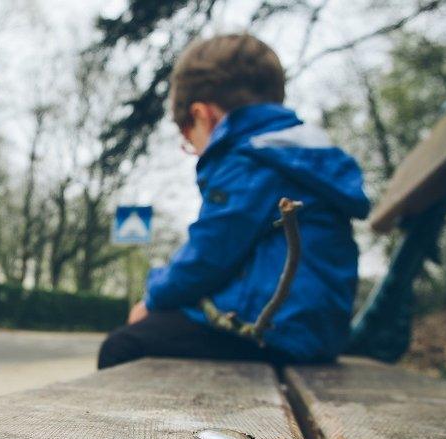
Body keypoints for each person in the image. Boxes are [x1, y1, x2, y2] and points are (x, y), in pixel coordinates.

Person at [98, 33, 370, 370]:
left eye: (189, 140)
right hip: (313, 334)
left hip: (269, 332)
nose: (195, 151)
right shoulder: (300, 155)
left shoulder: (249, 160)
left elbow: (208, 257)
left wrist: (151, 297)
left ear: (203, 115)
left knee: (124, 346)